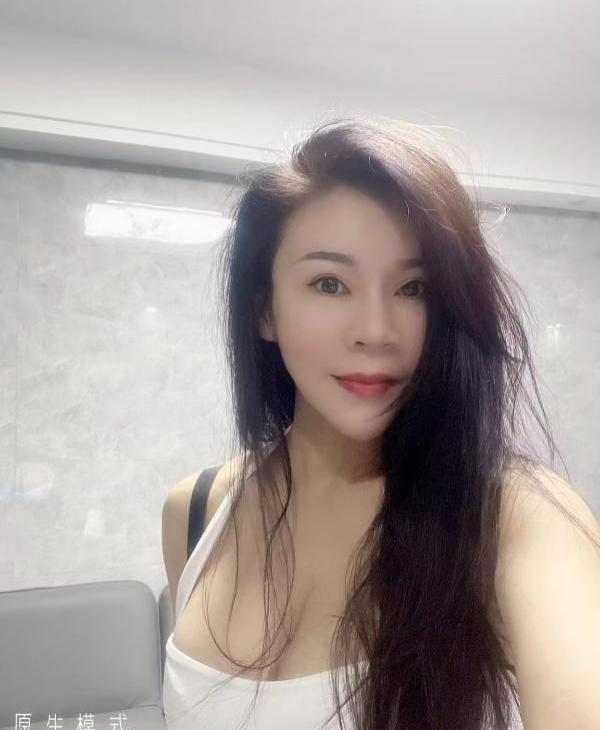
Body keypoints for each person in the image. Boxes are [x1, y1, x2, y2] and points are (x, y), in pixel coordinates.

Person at [161, 116, 600, 730]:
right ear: (265, 311)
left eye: (414, 288)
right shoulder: (196, 512)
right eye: (330, 283)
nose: (376, 330)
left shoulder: (516, 516)